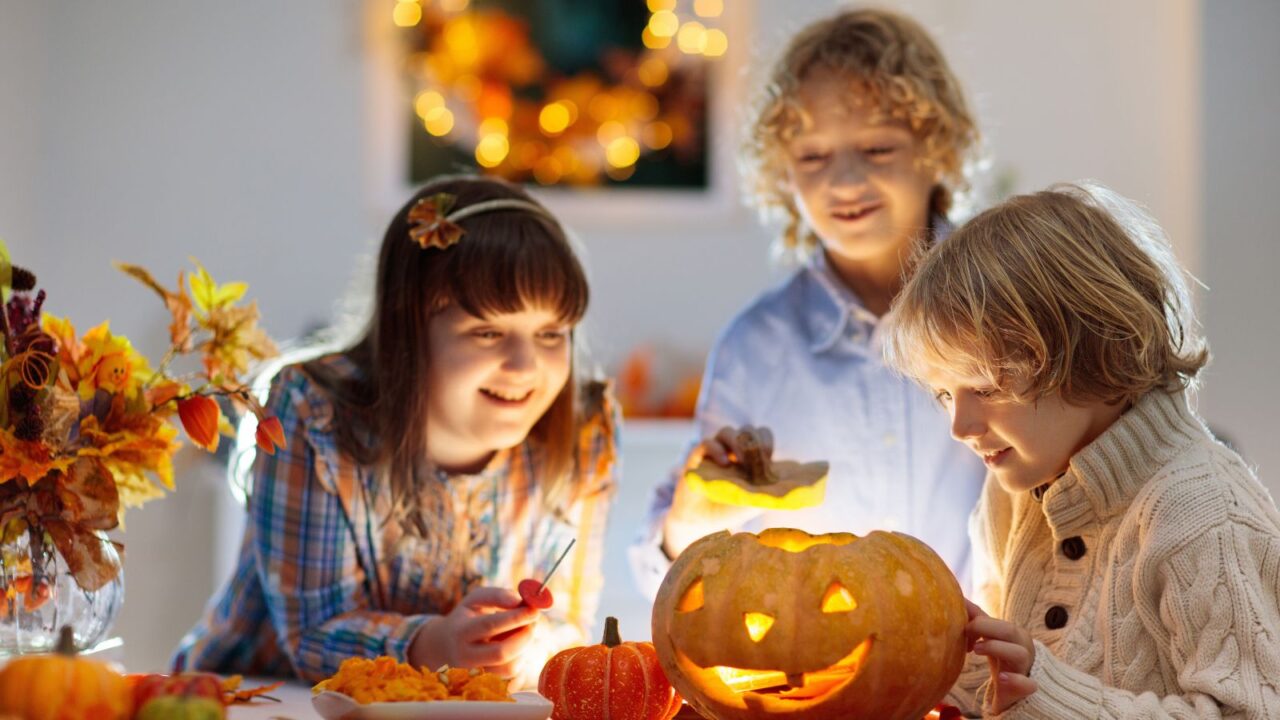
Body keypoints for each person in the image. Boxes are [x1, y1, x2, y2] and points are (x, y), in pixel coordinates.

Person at [173, 175, 618, 688]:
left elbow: (569, 621)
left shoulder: (584, 432)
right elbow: (312, 634)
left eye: (550, 334)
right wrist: (436, 644)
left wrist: (524, 646)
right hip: (260, 697)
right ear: (408, 329)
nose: (524, 366)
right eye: (487, 331)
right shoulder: (315, 413)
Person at [883, 182, 1280, 717]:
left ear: (1092, 353)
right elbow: (1001, 688)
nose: (961, 425)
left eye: (987, 389)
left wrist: (1043, 690)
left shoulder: (1205, 515)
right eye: (945, 394)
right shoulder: (1014, 492)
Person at [631, 7, 985, 596]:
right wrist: (691, 519)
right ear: (782, 172)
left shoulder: (1010, 306)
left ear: (937, 148)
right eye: (813, 157)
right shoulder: (755, 345)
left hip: (996, 672)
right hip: (812, 671)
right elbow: (679, 582)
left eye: (876, 148)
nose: (843, 181)